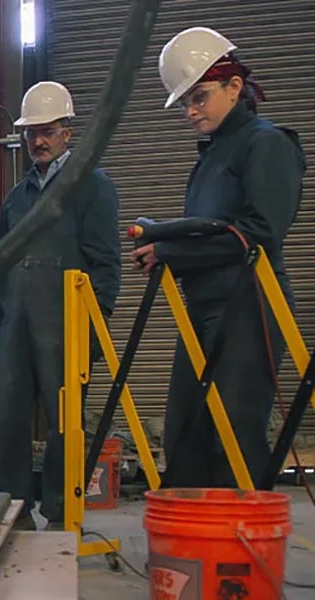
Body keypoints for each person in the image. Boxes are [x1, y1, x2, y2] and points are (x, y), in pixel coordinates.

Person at [131, 27, 306, 488]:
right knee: (186, 430)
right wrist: (166, 250)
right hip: (206, 307)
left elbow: (258, 233)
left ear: (234, 87)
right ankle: (190, 549)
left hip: (250, 302)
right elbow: (209, 232)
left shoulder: (267, 144)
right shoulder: (211, 157)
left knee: (233, 430)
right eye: (185, 101)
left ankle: (237, 551)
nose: (191, 111)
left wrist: (170, 248)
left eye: (200, 97)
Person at [0, 81, 121, 530]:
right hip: (18, 324)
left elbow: (105, 264)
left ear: (67, 132)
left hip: (66, 325)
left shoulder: (91, 185)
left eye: (47, 131)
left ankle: (62, 514)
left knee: (66, 427)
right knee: (5, 420)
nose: (37, 141)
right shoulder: (17, 198)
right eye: (31, 133)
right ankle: (9, 514)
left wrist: (94, 329)